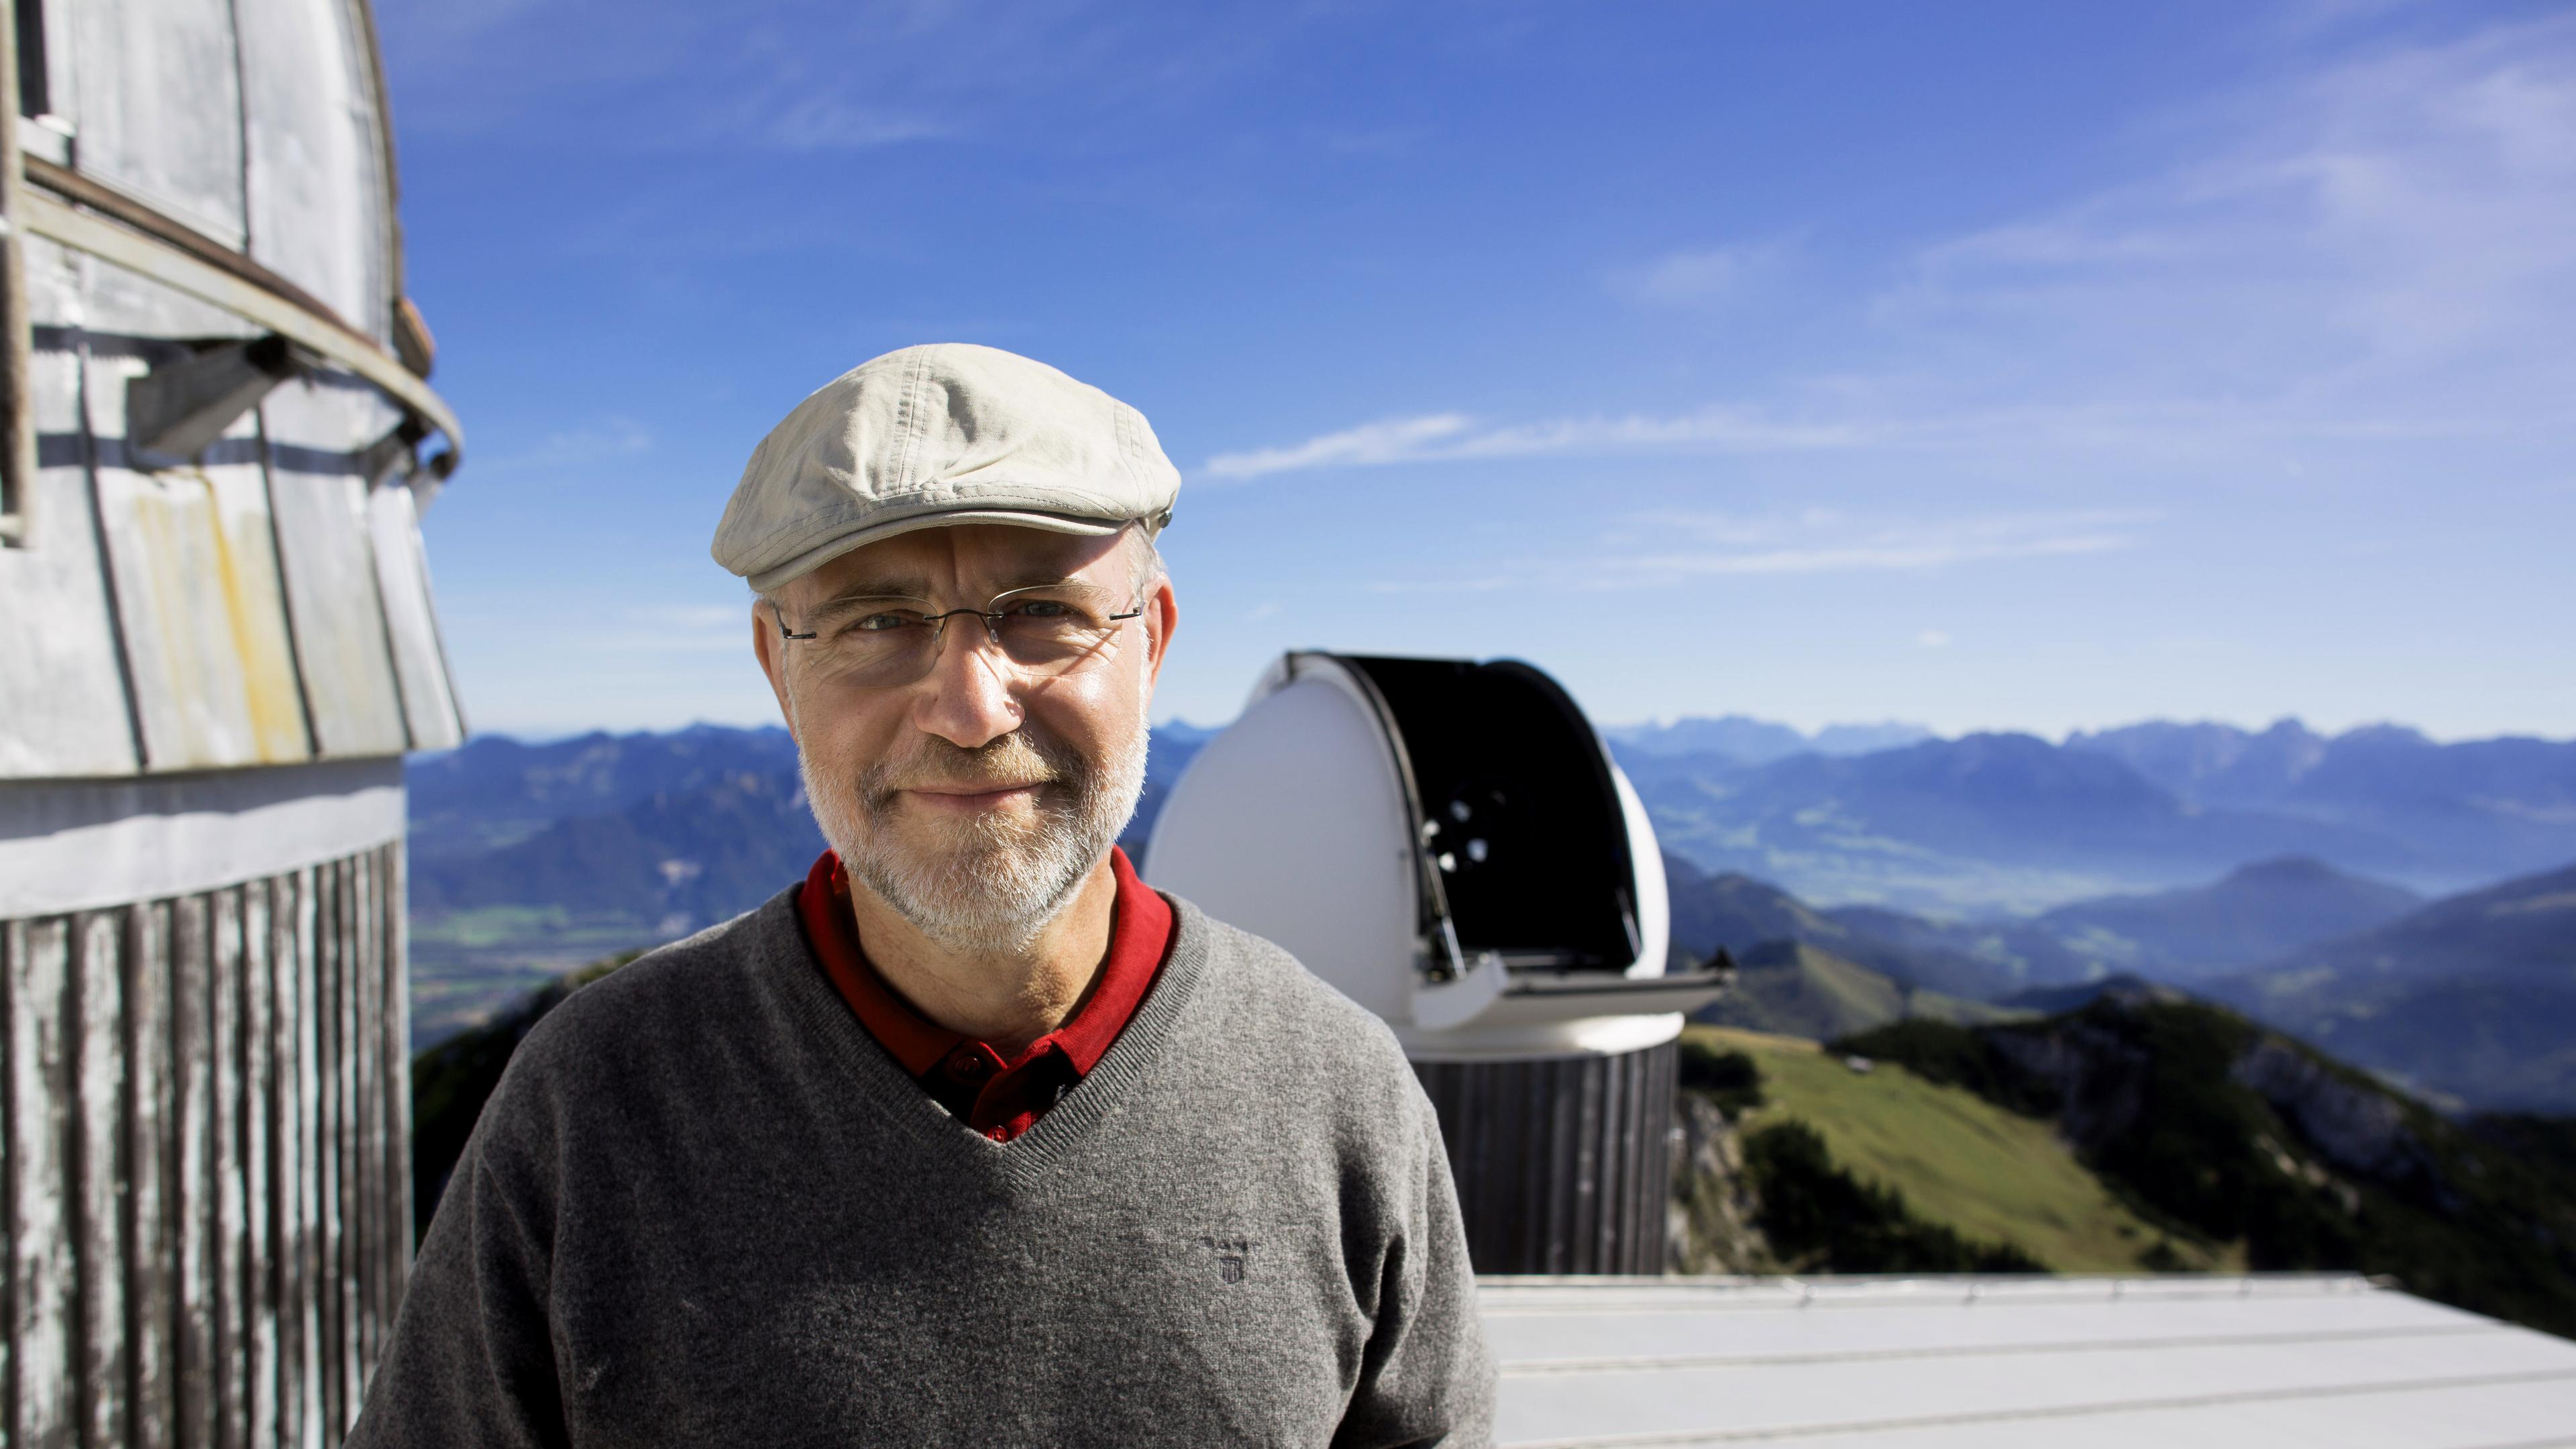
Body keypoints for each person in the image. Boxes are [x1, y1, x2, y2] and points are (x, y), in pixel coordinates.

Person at [352, 344, 1495, 1446]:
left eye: (1042, 610)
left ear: (1150, 642)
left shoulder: (1339, 1097)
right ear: (777, 667)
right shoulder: (595, 1105)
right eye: (876, 621)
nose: (969, 708)